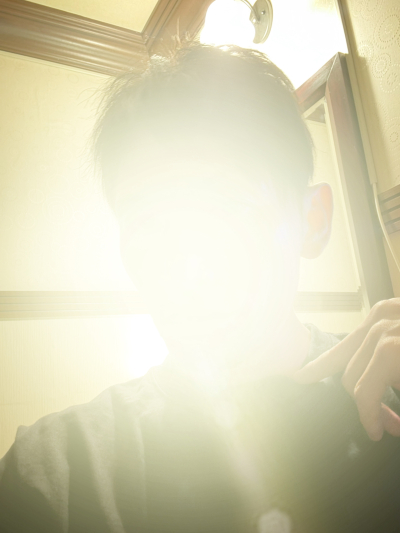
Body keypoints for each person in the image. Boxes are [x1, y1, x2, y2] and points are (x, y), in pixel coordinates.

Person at [1, 42, 400, 533]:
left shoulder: (389, 396)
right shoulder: (57, 473)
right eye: (147, 224)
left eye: (228, 208)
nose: (186, 266)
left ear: (312, 220)